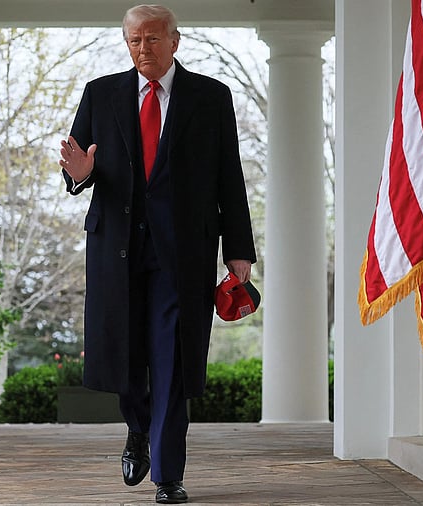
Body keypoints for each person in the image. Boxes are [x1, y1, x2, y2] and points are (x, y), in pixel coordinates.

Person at [59, 4, 256, 504]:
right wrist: (80, 172)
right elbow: (76, 171)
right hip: (116, 250)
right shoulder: (99, 94)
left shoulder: (212, 98)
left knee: (172, 359)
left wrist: (238, 252)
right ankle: (138, 430)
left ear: (175, 41)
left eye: (151, 40)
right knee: (127, 355)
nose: (142, 49)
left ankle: (168, 474)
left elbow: (229, 179)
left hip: (183, 252)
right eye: (133, 41)